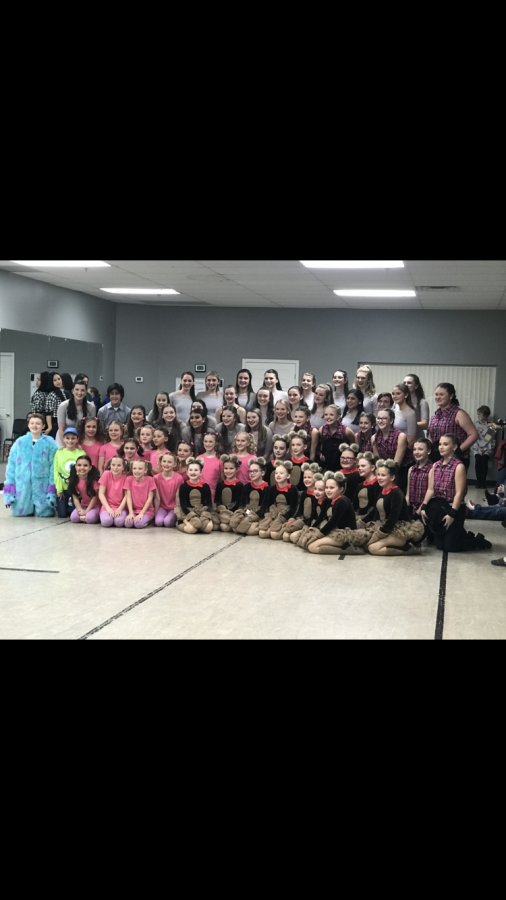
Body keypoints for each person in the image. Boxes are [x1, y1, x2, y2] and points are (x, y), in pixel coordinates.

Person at [421, 434, 491, 552]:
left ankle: (477, 541)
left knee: (450, 547)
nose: (441, 447)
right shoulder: (435, 466)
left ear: (454, 447)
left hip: (454, 508)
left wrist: (452, 514)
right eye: (440, 444)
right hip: (440, 509)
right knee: (439, 545)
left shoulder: (458, 466)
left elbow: (459, 493)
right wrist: (424, 506)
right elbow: (431, 489)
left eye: (445, 444)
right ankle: (463, 534)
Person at [366, 460, 425, 556]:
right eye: (378, 475)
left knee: (373, 548)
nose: (379, 478)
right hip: (385, 527)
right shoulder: (382, 490)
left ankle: (407, 548)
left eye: (383, 475)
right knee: (366, 545)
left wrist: (381, 533)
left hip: (399, 530)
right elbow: (376, 512)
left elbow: (394, 517)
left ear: (392, 477)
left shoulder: (397, 493)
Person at [4, 413, 58, 517]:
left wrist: (51, 492)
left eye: (38, 423)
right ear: (28, 425)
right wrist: (9, 494)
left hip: (42, 486)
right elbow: (11, 467)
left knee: (45, 513)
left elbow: (53, 467)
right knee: (21, 512)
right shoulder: (20, 442)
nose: (34, 426)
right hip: (22, 488)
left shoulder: (50, 443)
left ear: (43, 426)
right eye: (32, 423)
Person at [304, 471, 367, 555]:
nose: (328, 490)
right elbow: (324, 518)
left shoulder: (342, 501)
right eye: (326, 487)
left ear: (341, 489)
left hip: (343, 533)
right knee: (307, 542)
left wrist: (319, 534)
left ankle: (347, 550)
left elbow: (333, 522)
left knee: (312, 547)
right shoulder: (329, 500)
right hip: (333, 530)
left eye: (331, 488)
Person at [427, 383, 479, 469]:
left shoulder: (459, 414)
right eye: (436, 394)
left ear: (451, 396)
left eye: (441, 394)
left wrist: (458, 451)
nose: (438, 397)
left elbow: (474, 435)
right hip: (436, 458)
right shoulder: (435, 415)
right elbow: (431, 436)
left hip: (456, 459)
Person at [258, 461, 299, 539]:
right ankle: (272, 526)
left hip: (285, 515)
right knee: (262, 533)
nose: (278, 475)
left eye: (281, 473)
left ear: (288, 476)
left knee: (274, 535)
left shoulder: (293, 489)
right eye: (276, 473)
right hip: (274, 513)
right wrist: (269, 516)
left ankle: (284, 528)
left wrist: (284, 518)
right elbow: (267, 505)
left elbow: (293, 508)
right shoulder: (272, 489)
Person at [230, 457, 270, 536]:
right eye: (250, 471)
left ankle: (256, 524)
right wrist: (245, 513)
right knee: (234, 526)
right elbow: (242, 504)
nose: (252, 473)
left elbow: (264, 507)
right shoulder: (247, 486)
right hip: (248, 512)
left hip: (260, 514)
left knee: (250, 531)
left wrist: (254, 516)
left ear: (262, 473)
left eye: (255, 471)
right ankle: (247, 523)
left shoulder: (267, 488)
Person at [310, 404, 355, 470]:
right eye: (326, 415)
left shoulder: (346, 431)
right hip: (327, 463)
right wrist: (321, 455)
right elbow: (320, 445)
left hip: (342, 463)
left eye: (331, 415)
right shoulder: (322, 430)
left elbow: (355, 446)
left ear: (338, 416)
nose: (328, 417)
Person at [54, 427, 86, 518]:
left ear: (77, 439)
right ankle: (61, 507)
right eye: (67, 438)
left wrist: (79, 487)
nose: (70, 441)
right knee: (62, 514)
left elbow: (83, 472)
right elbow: (56, 471)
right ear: (63, 439)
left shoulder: (81, 453)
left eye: (73, 438)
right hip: (63, 487)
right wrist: (59, 489)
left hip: (76, 487)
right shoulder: (59, 453)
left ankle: (72, 509)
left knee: (75, 512)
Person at [175, 458, 214, 533]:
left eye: (196, 470)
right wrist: (190, 515)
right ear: (187, 472)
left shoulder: (205, 486)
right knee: (192, 529)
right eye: (191, 470)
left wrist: (205, 514)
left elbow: (209, 503)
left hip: (202, 511)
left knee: (208, 528)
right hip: (188, 511)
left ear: (201, 472)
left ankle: (199, 524)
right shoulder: (183, 486)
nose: (193, 472)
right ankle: (181, 523)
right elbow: (183, 504)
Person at [57, 381, 96, 445]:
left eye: (82, 390)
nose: (79, 393)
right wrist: (64, 447)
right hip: (65, 439)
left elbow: (91, 428)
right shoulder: (63, 406)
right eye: (77, 389)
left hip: (83, 439)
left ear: (86, 392)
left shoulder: (91, 407)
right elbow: (61, 429)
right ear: (73, 391)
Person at [153, 452, 184, 527]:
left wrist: (178, 513)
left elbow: (178, 497)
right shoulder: (156, 478)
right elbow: (157, 498)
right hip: (162, 507)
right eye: (164, 461)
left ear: (174, 464)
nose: (166, 464)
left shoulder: (179, 478)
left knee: (167, 522)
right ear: (161, 462)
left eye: (169, 462)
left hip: (173, 508)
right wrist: (155, 513)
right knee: (158, 522)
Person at [214, 455, 245, 531]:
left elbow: (240, 502)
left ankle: (231, 523)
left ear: (237, 469)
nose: (228, 471)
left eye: (231, 468)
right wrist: (221, 509)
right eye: (226, 468)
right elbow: (216, 500)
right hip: (222, 512)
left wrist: (231, 511)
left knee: (224, 526)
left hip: (234, 512)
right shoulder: (220, 484)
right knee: (217, 525)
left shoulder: (240, 485)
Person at [98, 456, 130, 527]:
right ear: (110, 465)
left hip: (121, 506)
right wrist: (108, 509)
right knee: (106, 522)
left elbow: (126, 495)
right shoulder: (106, 474)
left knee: (119, 522)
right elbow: (101, 494)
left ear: (123, 467)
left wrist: (120, 509)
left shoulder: (126, 477)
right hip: (107, 506)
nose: (115, 467)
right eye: (113, 465)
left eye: (119, 465)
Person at [406, 439, 433, 520]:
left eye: (420, 449)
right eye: (414, 449)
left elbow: (431, 493)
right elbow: (408, 494)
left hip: (425, 509)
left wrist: (417, 513)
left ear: (428, 451)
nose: (416, 452)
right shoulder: (411, 469)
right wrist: (406, 509)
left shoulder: (432, 469)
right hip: (412, 509)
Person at [68, 456, 101, 524]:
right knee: (74, 518)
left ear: (90, 467)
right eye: (79, 465)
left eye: (85, 465)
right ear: (75, 466)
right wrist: (80, 510)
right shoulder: (74, 479)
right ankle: (86, 516)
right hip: (83, 505)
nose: (82, 468)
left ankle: (96, 515)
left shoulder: (94, 480)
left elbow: (95, 498)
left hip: (95, 506)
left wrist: (86, 511)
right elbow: (75, 498)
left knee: (89, 519)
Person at [124, 459, 156, 528]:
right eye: (134, 468)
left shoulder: (150, 480)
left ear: (145, 470)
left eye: (140, 469)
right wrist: (131, 513)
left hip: (147, 510)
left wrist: (142, 513)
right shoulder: (129, 479)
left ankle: (149, 520)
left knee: (138, 524)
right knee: (128, 524)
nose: (137, 471)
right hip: (134, 510)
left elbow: (150, 498)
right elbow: (128, 497)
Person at [472, 405, 496, 489]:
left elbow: (490, 440)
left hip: (487, 449)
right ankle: (478, 482)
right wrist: (478, 449)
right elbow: (473, 438)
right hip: (477, 448)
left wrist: (484, 449)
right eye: (477, 414)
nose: (478, 416)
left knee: (484, 462)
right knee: (478, 461)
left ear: (485, 415)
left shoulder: (491, 426)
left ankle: (483, 482)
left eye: (480, 414)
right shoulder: (475, 424)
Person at [353, 452, 381, 522]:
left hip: (372, 520)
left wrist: (364, 520)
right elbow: (355, 505)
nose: (359, 468)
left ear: (372, 467)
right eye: (358, 466)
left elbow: (377, 507)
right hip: (360, 517)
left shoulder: (378, 484)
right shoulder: (360, 485)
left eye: (363, 466)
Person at [197, 432, 223, 501]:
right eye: (206, 441)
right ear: (203, 442)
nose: (208, 444)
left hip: (214, 494)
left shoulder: (219, 459)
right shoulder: (199, 458)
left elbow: (222, 479)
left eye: (210, 442)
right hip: (199, 492)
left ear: (216, 443)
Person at [403, 374, 430, 440]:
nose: (406, 385)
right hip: (401, 438)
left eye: (409, 383)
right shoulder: (398, 402)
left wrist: (407, 424)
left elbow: (425, 424)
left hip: (416, 439)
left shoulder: (422, 402)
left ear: (416, 386)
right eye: (404, 383)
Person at [391, 383, 417, 450]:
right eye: (393, 394)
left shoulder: (410, 413)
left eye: (398, 394)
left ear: (406, 395)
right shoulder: (394, 409)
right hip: (392, 447)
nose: (395, 396)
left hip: (404, 449)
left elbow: (411, 440)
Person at [45, 373, 67, 438]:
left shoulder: (62, 393)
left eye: (59, 379)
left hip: (62, 421)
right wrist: (49, 427)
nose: (58, 381)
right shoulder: (52, 394)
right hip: (54, 422)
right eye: (55, 380)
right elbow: (48, 412)